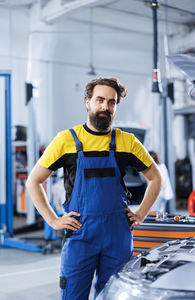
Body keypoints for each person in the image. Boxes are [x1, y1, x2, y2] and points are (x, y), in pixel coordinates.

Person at [26, 77, 161, 300]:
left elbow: (156, 178)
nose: (105, 107)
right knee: (73, 295)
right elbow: (34, 181)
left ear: (116, 106)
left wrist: (141, 214)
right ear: (87, 102)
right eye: (99, 100)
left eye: (111, 102)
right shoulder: (66, 140)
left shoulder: (127, 142)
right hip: (80, 235)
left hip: (117, 235)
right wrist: (53, 220)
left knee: (114, 296)